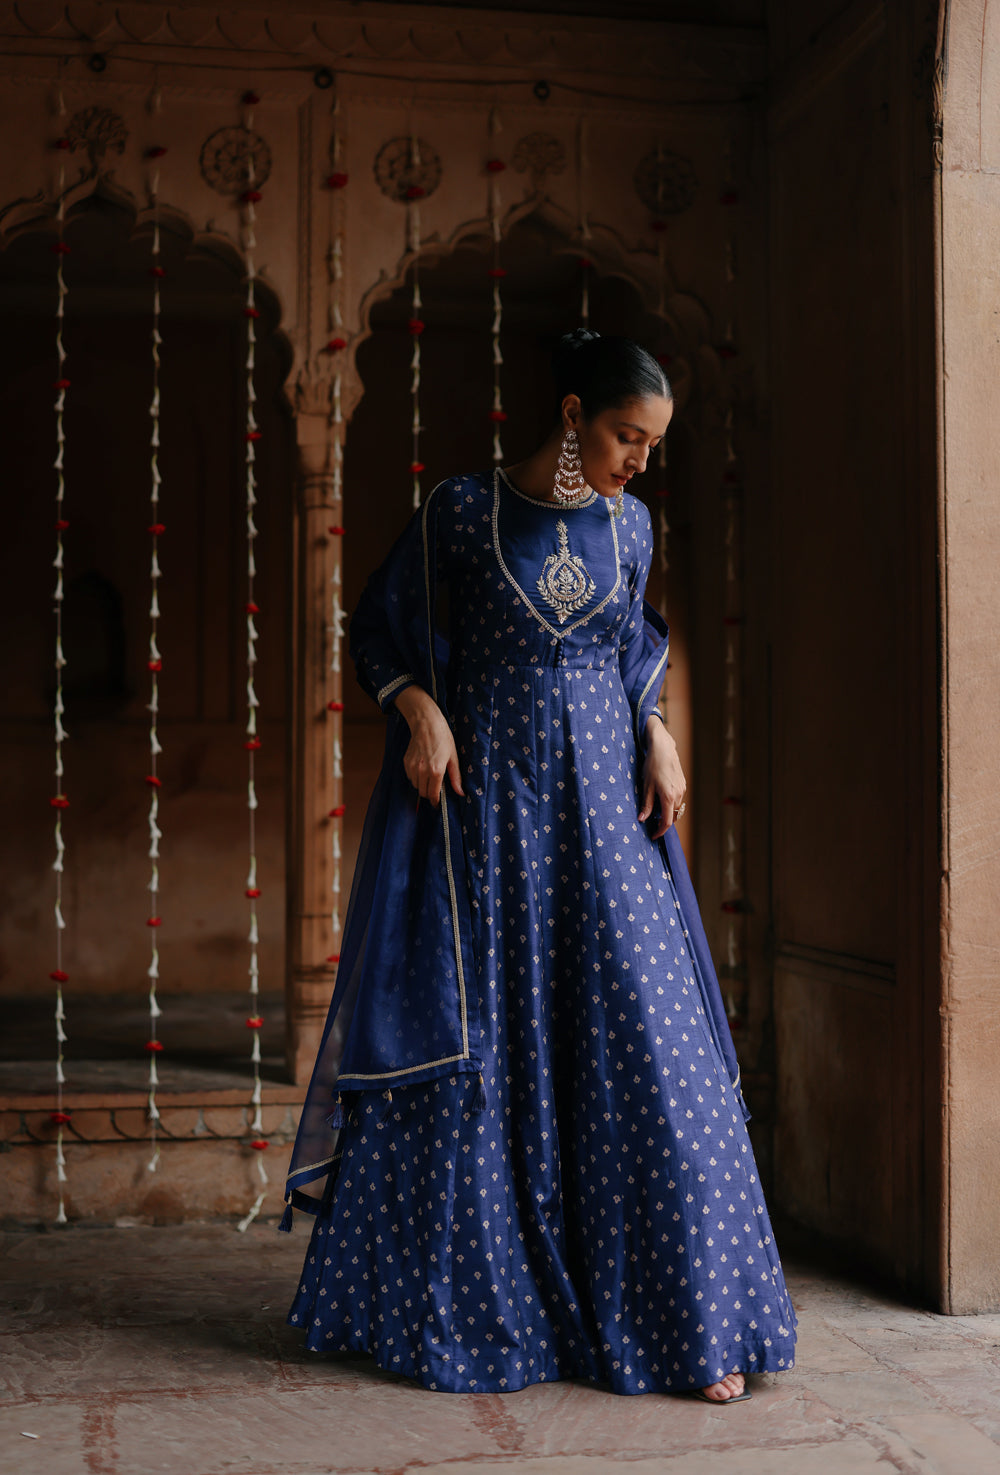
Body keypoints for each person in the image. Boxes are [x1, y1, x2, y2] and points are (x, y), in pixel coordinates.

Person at [282, 328, 797, 1404]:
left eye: (652, 444)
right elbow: (377, 632)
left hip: (606, 818)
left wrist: (653, 723)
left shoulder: (634, 524)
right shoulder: (463, 514)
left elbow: (629, 646)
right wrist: (418, 707)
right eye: (624, 435)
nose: (637, 460)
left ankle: (685, 1321)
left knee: (653, 1049)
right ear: (571, 415)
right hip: (490, 818)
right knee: (491, 1044)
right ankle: (492, 1304)